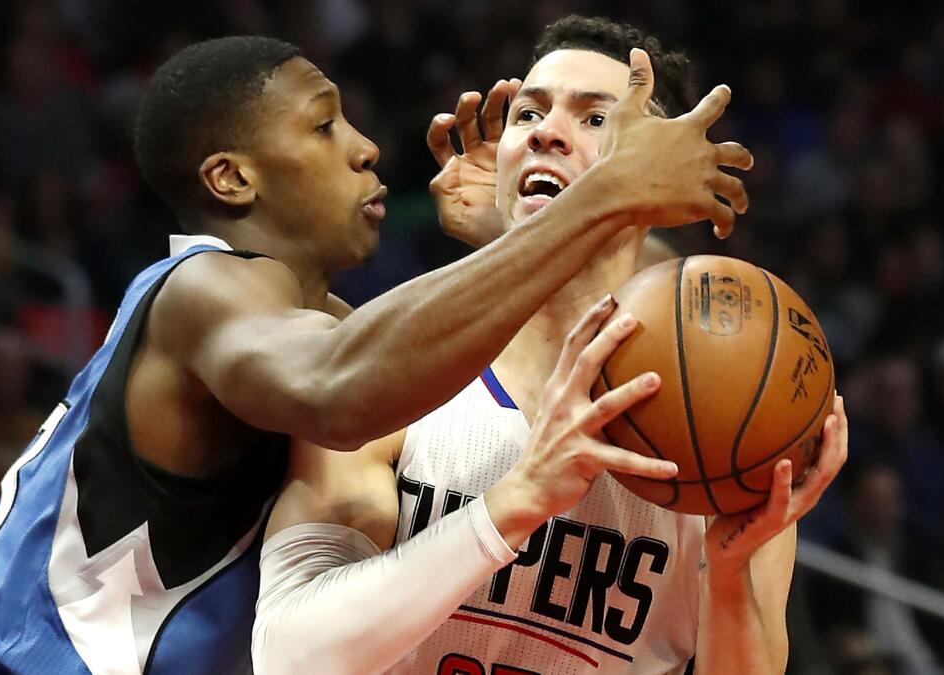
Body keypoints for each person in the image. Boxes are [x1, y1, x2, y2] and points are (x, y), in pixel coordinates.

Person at [0, 32, 751, 675]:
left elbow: (635, 300)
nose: (370, 149)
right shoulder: (207, 292)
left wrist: (536, 222)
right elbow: (344, 387)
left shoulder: (304, 323)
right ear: (233, 179)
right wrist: (585, 206)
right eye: (325, 127)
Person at [252, 16, 846, 674]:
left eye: (597, 119)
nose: (544, 130)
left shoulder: (730, 422)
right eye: (528, 111)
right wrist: (517, 499)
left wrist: (729, 575)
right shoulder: (397, 380)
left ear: (665, 175)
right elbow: (289, 656)